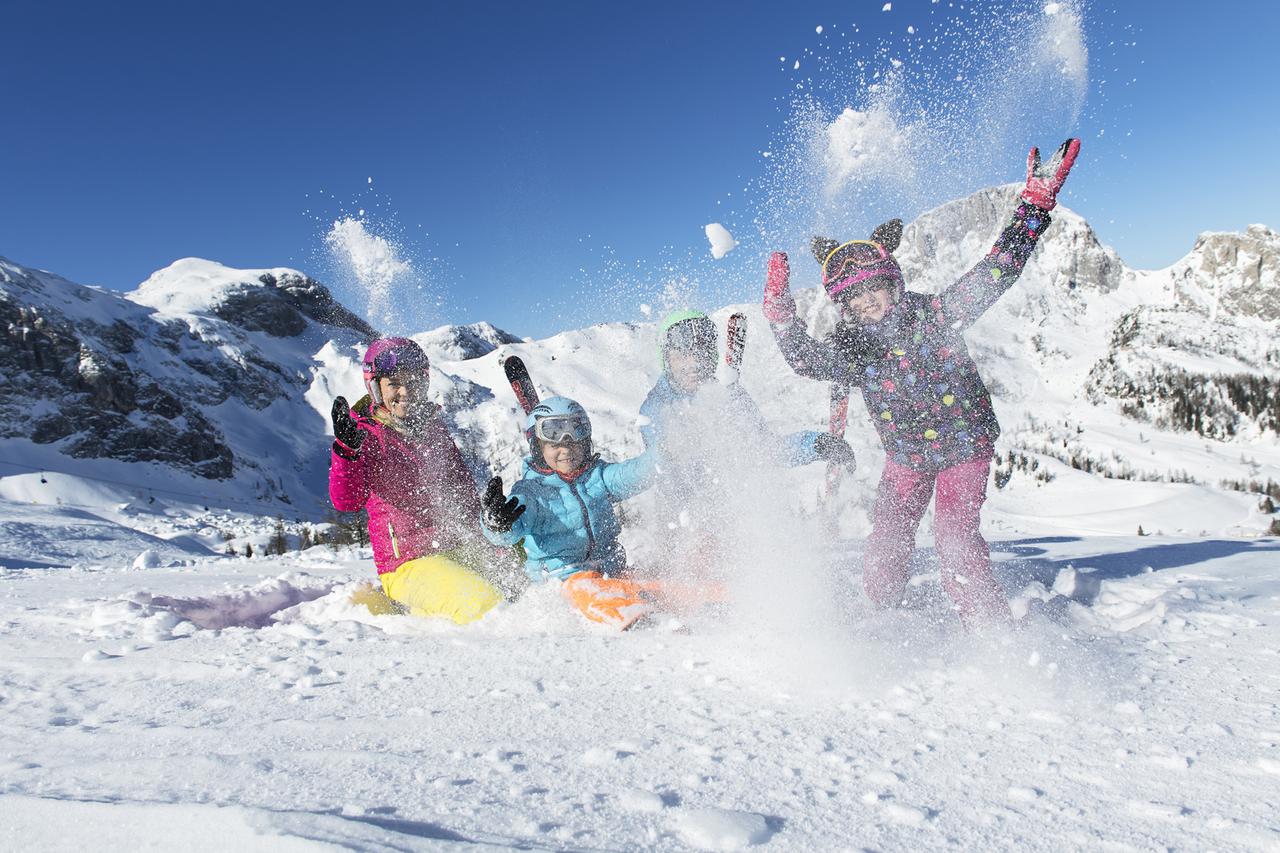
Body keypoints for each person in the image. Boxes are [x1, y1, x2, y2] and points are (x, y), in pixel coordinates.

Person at [761, 139, 1081, 626]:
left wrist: (1032, 209)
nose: (867, 303)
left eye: (875, 290)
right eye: (855, 299)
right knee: (888, 532)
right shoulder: (854, 350)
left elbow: (997, 271)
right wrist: (783, 320)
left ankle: (991, 629)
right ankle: (879, 604)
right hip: (907, 454)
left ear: (895, 284)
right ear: (843, 308)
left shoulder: (937, 314)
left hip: (964, 447)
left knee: (954, 539)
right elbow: (806, 360)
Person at [329, 337, 514, 623]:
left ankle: (423, 609)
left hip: (460, 548)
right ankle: (405, 604)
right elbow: (347, 501)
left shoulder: (432, 427)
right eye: (394, 383)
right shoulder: (367, 434)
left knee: (526, 575)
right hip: (409, 564)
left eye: (413, 381)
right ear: (375, 387)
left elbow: (460, 491)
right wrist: (348, 452)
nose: (405, 391)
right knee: (486, 605)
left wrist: (489, 523)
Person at [479, 396, 660, 630]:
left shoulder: (599, 478)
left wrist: (665, 454)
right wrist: (497, 523)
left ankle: (704, 603)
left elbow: (635, 473)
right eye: (555, 445)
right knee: (589, 589)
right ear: (538, 447)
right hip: (565, 582)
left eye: (575, 441)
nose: (566, 449)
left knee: (659, 582)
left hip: (611, 573)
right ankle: (645, 623)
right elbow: (513, 525)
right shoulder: (534, 493)